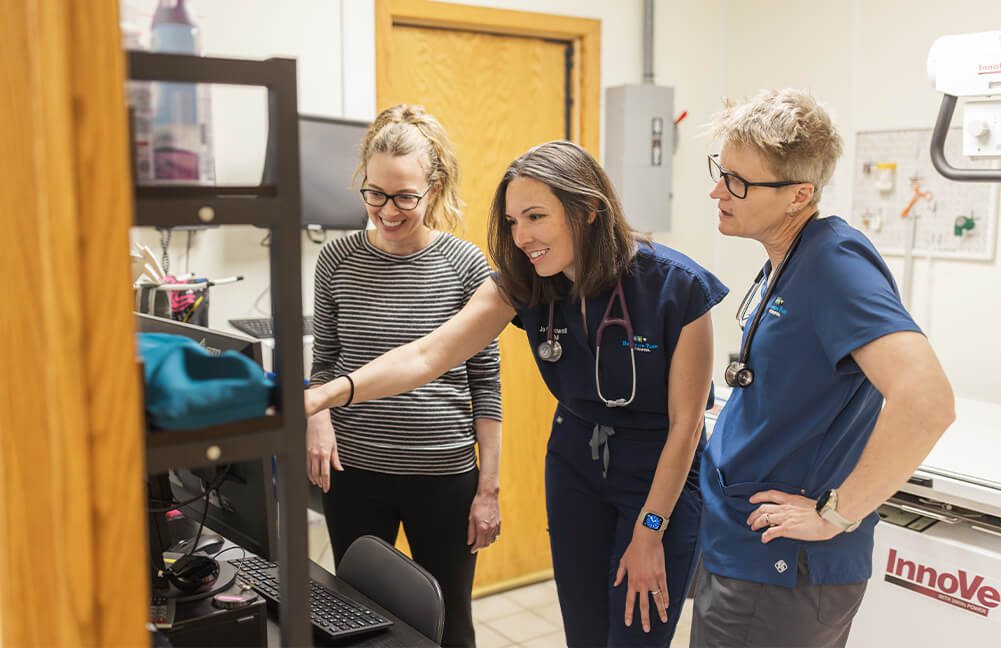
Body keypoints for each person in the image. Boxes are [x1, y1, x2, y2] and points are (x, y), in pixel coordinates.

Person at [306, 140, 728, 647]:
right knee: (586, 635)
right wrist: (328, 394)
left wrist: (650, 530)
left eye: (535, 217)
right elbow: (429, 356)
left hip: (659, 470)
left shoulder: (676, 288)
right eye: (512, 222)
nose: (522, 237)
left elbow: (686, 426)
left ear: (589, 209)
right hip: (576, 465)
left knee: (637, 635)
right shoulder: (527, 283)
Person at [692, 89, 956, 648]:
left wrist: (837, 514)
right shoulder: (788, 259)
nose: (718, 190)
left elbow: (927, 401)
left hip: (781, 569)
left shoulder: (833, 263)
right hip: (744, 545)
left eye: (739, 181)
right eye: (721, 171)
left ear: (799, 195)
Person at [305, 104, 502, 648]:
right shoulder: (336, 260)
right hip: (355, 471)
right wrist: (316, 414)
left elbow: (486, 382)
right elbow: (325, 360)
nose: (387, 211)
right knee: (356, 619)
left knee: (450, 625)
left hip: (443, 477)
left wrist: (489, 488)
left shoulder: (466, 266)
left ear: (434, 190)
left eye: (404, 197)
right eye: (375, 194)